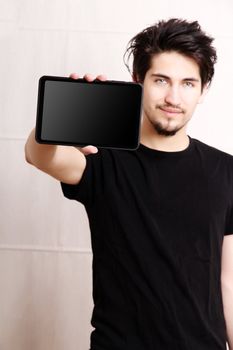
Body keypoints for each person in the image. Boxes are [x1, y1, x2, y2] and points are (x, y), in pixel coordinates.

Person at [25, 18, 233, 350]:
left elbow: (229, 282)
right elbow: (39, 156)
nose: (173, 96)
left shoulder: (227, 171)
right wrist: (61, 119)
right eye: (161, 80)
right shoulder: (103, 160)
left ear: (204, 89)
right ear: (138, 81)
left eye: (188, 83)